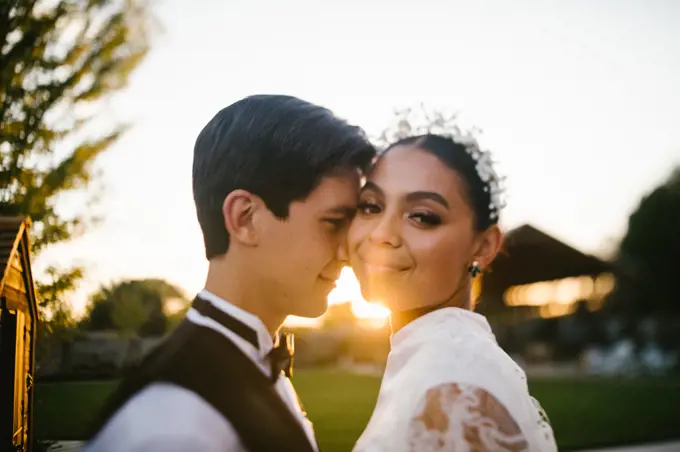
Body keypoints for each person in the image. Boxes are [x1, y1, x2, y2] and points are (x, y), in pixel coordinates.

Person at [84, 95, 375, 452]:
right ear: (245, 218)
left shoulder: (252, 362)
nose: (348, 252)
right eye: (333, 223)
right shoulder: (173, 431)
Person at [349, 134, 557, 451]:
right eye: (371, 206)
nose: (382, 234)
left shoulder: (455, 393)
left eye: (422, 216)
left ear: (484, 246)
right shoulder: (438, 358)